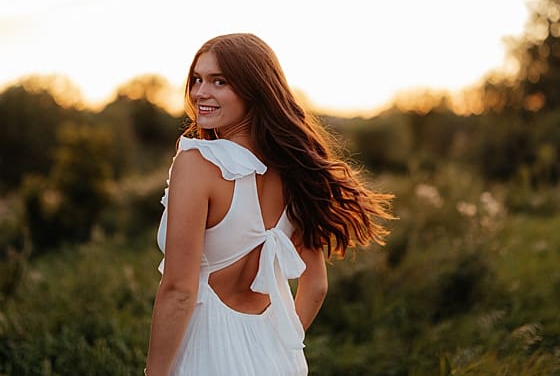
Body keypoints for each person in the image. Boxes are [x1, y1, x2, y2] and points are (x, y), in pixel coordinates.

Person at [147, 33, 392, 375]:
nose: (201, 92)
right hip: (276, 358)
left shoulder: (196, 163)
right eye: (198, 79)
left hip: (205, 352)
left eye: (219, 82)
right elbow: (316, 285)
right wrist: (276, 349)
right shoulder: (296, 171)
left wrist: (154, 372)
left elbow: (178, 291)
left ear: (253, 89)